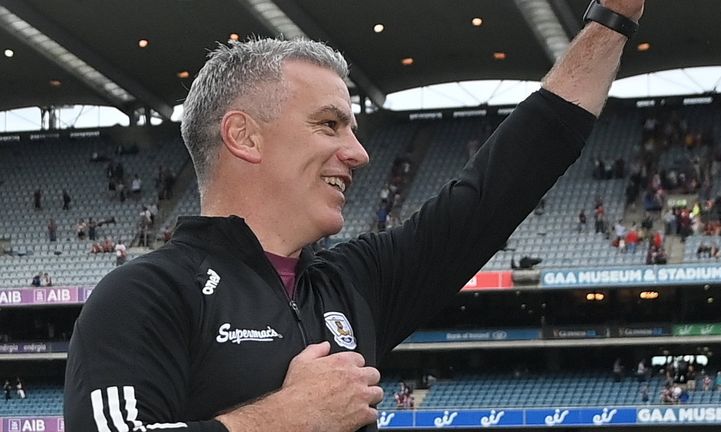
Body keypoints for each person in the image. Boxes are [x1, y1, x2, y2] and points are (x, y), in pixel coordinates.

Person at [64, 3, 646, 430]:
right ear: (244, 135)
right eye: (328, 124)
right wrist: (285, 418)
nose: (359, 153)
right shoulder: (144, 294)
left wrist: (613, 18)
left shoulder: (353, 285)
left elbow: (500, 186)